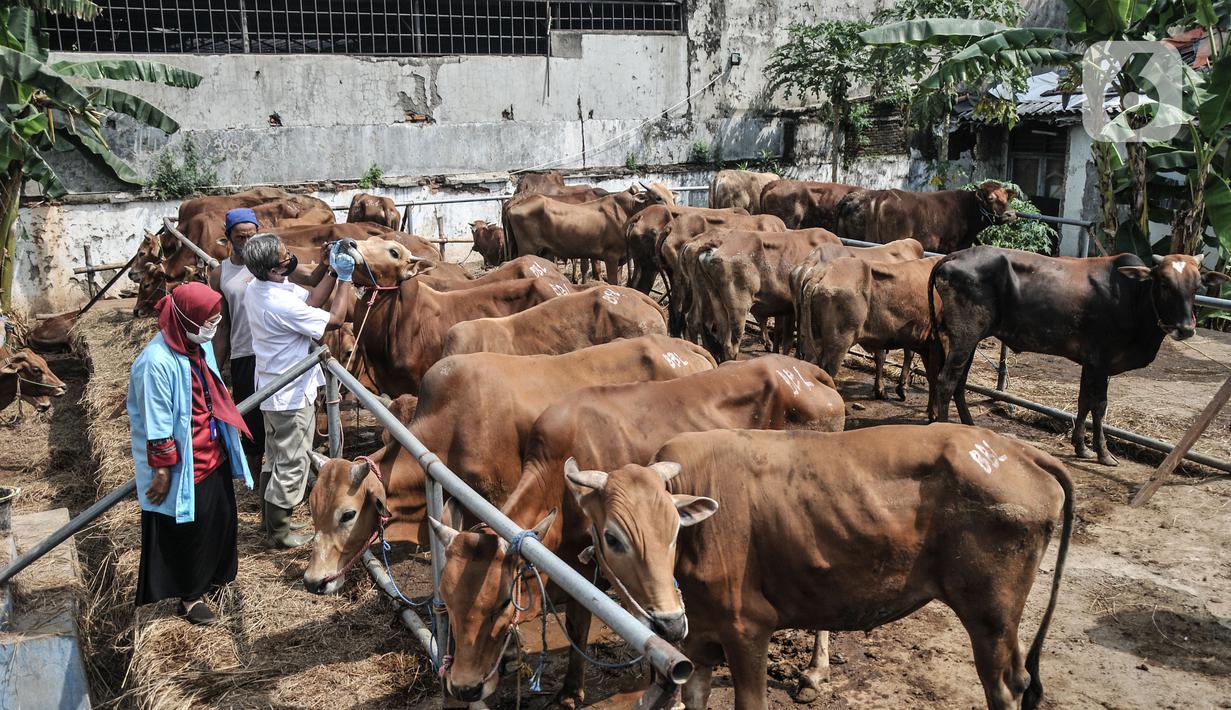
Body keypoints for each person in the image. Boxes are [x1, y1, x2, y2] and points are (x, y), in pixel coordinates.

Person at [128, 282, 253, 625]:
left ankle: (216, 576)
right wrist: (164, 470)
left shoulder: (199, 345)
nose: (213, 327)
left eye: (215, 319)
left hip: (212, 451)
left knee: (221, 518)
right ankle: (189, 597)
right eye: (208, 321)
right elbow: (157, 421)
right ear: (186, 319)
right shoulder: (155, 362)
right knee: (189, 529)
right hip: (185, 462)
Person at [243, 233, 354, 548]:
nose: (289, 255)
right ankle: (280, 532)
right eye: (283, 255)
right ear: (274, 270)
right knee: (293, 461)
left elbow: (310, 301)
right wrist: (345, 278)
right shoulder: (277, 302)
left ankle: (268, 518)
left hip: (270, 388)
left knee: (275, 456)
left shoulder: (258, 288)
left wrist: (329, 270)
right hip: (290, 393)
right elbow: (334, 318)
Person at [209, 208, 263, 478]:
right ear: (228, 236)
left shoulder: (267, 264)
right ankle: (253, 476)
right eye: (240, 237)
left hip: (273, 352)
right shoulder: (220, 275)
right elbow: (223, 324)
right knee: (250, 418)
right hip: (243, 354)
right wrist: (214, 367)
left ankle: (275, 479)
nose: (246, 242)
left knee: (277, 416)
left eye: (251, 236)